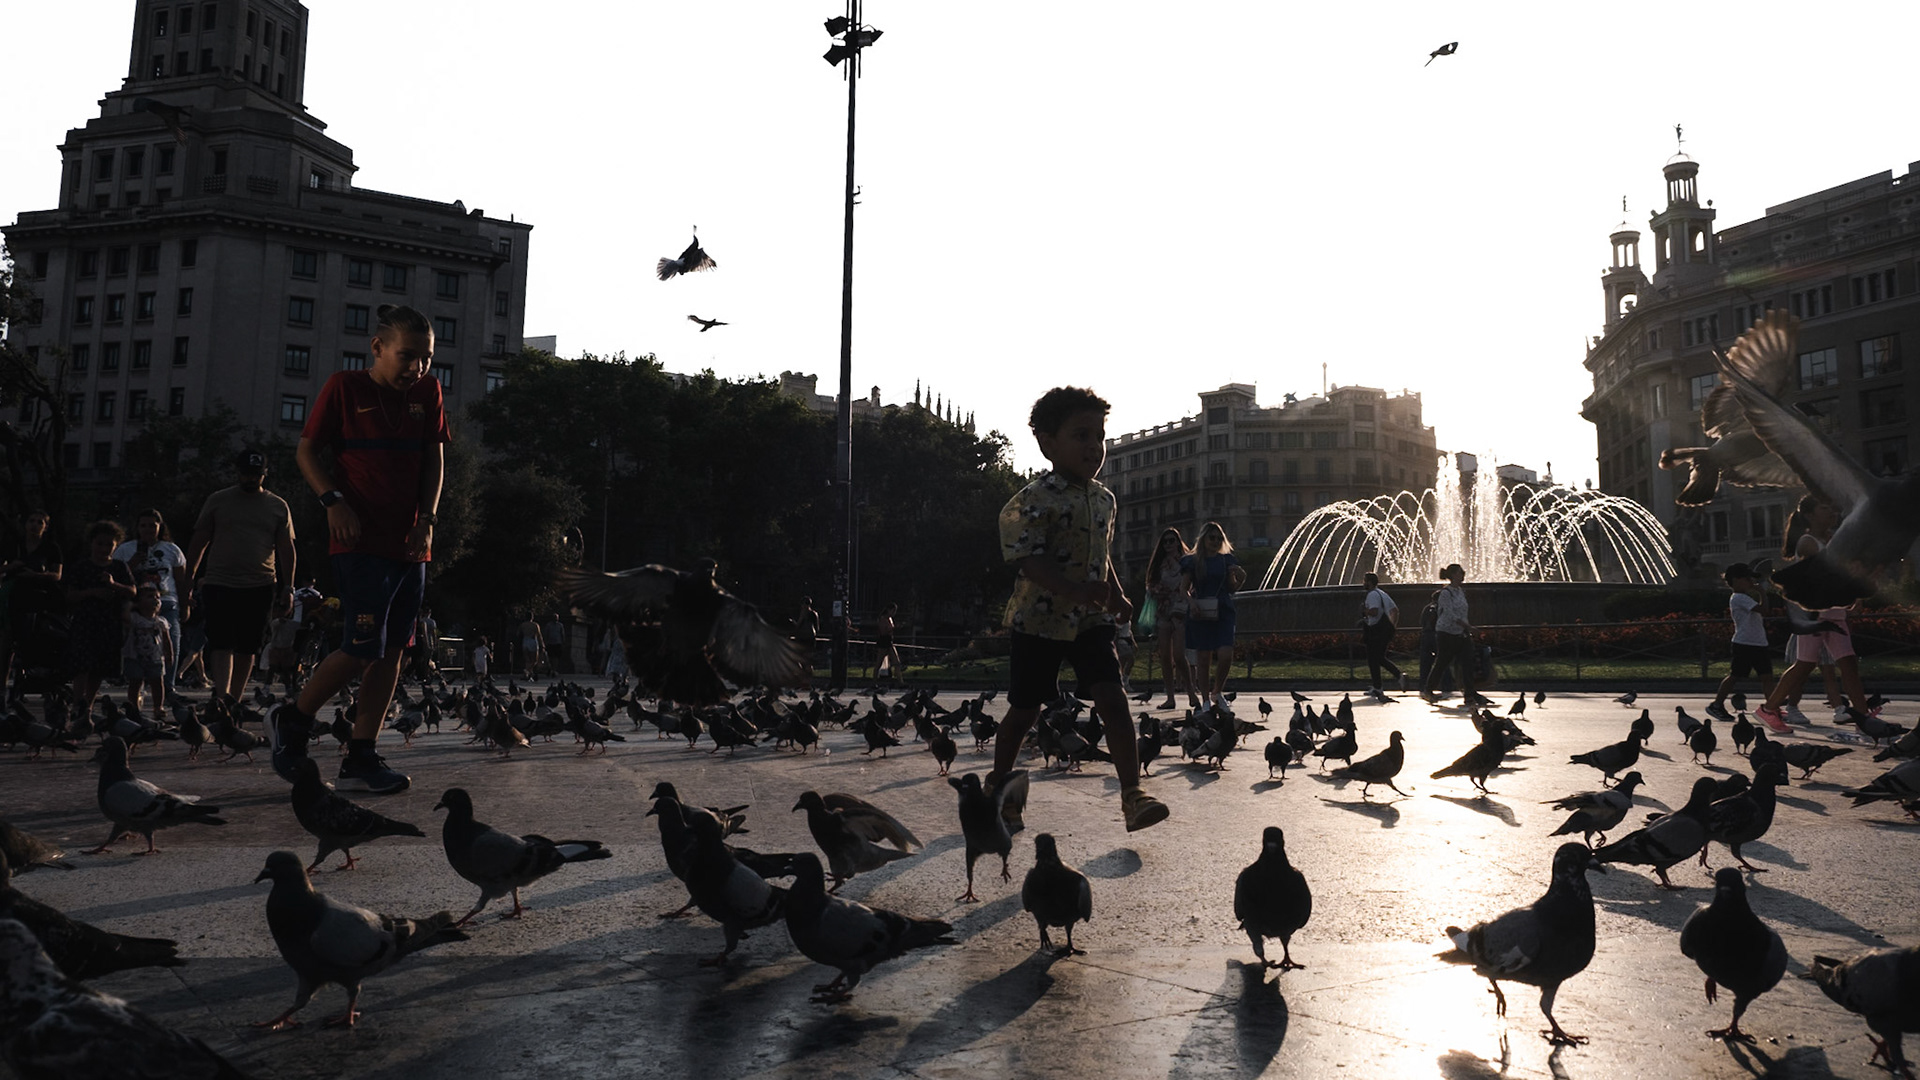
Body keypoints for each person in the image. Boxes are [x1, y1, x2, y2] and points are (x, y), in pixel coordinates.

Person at [265, 304, 449, 795]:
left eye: (426, 358)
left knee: (394, 651)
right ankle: (294, 722)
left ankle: (362, 756)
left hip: (411, 544)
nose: (418, 368)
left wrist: (427, 520)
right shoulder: (344, 388)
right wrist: (332, 502)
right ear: (378, 348)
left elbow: (434, 459)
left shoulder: (428, 393)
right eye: (407, 356)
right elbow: (306, 451)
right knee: (360, 646)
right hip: (359, 541)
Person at [993, 386, 1167, 833]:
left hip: (1090, 621)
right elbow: (1028, 561)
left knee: (1113, 699)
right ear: (1047, 442)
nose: (1094, 446)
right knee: (1025, 710)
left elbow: (1100, 555)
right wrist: (1074, 588)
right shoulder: (1031, 499)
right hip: (1039, 621)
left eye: (1100, 436)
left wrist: (1117, 595)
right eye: (1081, 435)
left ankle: (1132, 795)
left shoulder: (1105, 499)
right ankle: (1000, 789)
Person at [185, 450, 297, 701]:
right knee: (221, 641)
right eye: (246, 474)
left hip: (260, 583)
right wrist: (188, 580)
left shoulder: (277, 506)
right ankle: (222, 696)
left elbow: (286, 549)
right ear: (237, 472)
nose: (250, 479)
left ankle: (233, 700)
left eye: (255, 475)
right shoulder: (218, 500)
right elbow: (199, 541)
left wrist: (289, 588)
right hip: (219, 581)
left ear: (264, 475)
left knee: (249, 646)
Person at [1755, 499, 1872, 734]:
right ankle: (1768, 709)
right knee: (1805, 664)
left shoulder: (1833, 539)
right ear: (1808, 515)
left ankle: (1863, 717)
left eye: (1832, 507)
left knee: (1848, 663)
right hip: (1815, 614)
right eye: (1824, 507)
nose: (1832, 511)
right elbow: (1827, 574)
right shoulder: (1808, 543)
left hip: (1832, 612)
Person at [66, 521, 136, 727]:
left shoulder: (119, 567)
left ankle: (88, 705)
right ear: (92, 544)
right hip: (85, 620)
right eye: (100, 544)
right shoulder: (82, 567)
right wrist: (92, 592)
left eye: (109, 545)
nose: (104, 549)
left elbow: (133, 591)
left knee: (99, 667)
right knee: (82, 664)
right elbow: (69, 595)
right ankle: (77, 703)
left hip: (109, 622)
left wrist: (114, 585)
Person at [112, 509, 187, 689]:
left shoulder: (171, 549)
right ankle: (137, 687)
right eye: (143, 525)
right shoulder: (125, 549)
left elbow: (181, 580)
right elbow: (115, 575)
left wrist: (185, 605)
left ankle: (168, 687)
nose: (147, 530)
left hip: (166, 602)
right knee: (137, 647)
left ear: (160, 527)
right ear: (137, 528)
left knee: (171, 644)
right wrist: (133, 563)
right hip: (137, 604)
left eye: (152, 525)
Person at [1180, 521, 1246, 710]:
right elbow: (1183, 589)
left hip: (1223, 609)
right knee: (1203, 657)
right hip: (1200, 610)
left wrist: (1241, 578)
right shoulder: (1192, 561)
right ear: (1203, 539)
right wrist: (1191, 603)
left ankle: (1217, 691)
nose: (1216, 541)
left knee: (1226, 654)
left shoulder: (1226, 560)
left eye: (1219, 538)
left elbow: (1232, 588)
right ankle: (1206, 699)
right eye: (1212, 537)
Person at [0, 509, 63, 694]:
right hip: (14, 596)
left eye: (39, 522)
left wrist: (37, 575)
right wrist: (13, 566)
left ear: (45, 526)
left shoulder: (51, 547)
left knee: (33, 642)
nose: (35, 525)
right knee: (6, 642)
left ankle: (28, 684)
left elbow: (57, 575)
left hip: (39, 597)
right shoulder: (14, 545)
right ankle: (3, 689)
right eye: (32, 521)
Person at [1707, 563, 1776, 723]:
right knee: (1735, 675)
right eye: (1747, 578)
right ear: (1736, 580)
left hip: (1758, 642)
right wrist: (1762, 593)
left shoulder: (1744, 597)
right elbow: (1763, 610)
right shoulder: (1739, 598)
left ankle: (1772, 707)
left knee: (1767, 677)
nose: (1751, 582)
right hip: (1745, 644)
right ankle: (1716, 704)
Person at [1421, 563, 1485, 706]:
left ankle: (1469, 695)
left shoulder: (1460, 591)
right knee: (1442, 663)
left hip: (1461, 633)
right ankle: (1428, 689)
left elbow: (1463, 612)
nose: (1463, 574)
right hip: (1446, 634)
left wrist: (1467, 628)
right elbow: (1450, 615)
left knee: (1468, 663)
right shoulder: (1445, 593)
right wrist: (1469, 627)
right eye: (1461, 572)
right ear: (1453, 575)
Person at [1144, 528, 1193, 710]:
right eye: (1165, 542)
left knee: (1179, 655)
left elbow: (1190, 584)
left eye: (1172, 541)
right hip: (1163, 611)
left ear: (1178, 542)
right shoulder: (1159, 564)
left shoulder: (1186, 561)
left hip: (1180, 611)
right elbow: (1150, 584)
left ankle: (1191, 692)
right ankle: (1170, 697)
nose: (1168, 545)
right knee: (1165, 656)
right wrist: (1156, 591)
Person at [122, 584, 173, 728]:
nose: (155, 600)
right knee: (135, 683)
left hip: (155, 658)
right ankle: (134, 707)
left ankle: (158, 707)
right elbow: (125, 617)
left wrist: (169, 654)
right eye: (150, 597)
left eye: (157, 597)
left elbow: (167, 640)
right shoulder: (135, 618)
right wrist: (130, 605)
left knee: (157, 682)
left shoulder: (161, 621)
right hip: (135, 657)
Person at [1359, 572, 1404, 701]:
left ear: (1370, 582)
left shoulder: (1372, 594)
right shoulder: (1382, 593)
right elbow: (1395, 610)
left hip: (1374, 631)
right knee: (1378, 658)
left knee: (1374, 659)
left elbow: (1374, 611)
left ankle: (1395, 677)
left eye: (1365, 581)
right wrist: (1392, 626)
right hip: (1383, 631)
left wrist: (1364, 612)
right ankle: (1379, 686)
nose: (1363, 583)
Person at [875, 603, 901, 686]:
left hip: (889, 641)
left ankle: (900, 681)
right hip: (883, 642)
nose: (894, 613)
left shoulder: (890, 619)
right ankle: (874, 681)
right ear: (888, 610)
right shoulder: (883, 619)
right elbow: (883, 632)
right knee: (879, 662)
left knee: (896, 662)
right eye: (893, 611)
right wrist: (890, 629)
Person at [518, 612, 543, 677]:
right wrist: (542, 644)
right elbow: (539, 635)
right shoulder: (535, 625)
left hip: (525, 640)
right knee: (534, 659)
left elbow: (518, 634)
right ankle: (527, 670)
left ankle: (529, 673)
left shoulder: (522, 625)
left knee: (527, 659)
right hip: (532, 640)